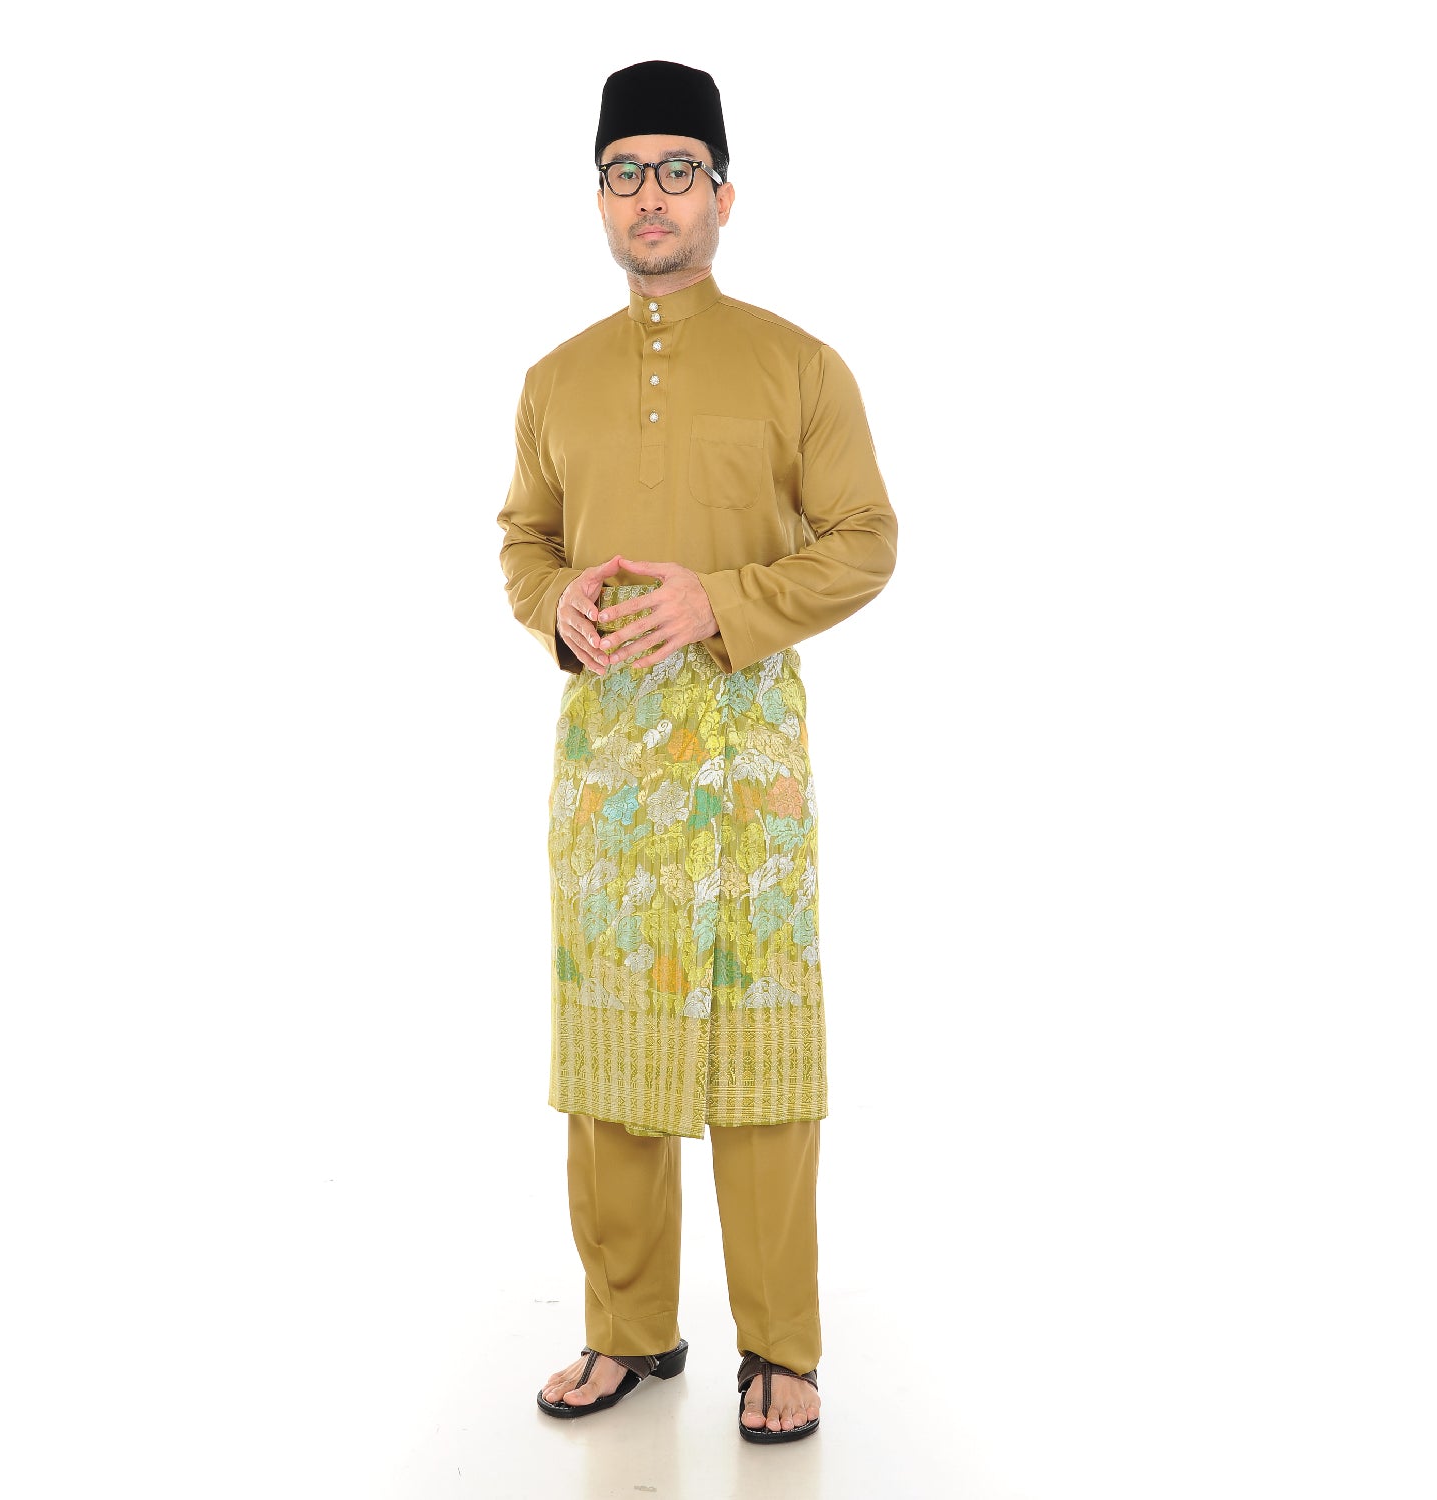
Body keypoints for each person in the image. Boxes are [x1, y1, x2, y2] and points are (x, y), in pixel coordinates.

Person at [495, 58, 897, 1443]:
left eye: (678, 171)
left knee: (761, 1057)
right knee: (609, 1053)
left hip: (747, 776)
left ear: (725, 196)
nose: (650, 196)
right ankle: (627, 1332)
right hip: (607, 775)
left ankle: (781, 1348)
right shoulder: (555, 380)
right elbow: (523, 540)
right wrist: (555, 605)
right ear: (600, 198)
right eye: (626, 173)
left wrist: (720, 602)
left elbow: (866, 540)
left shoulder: (797, 365)